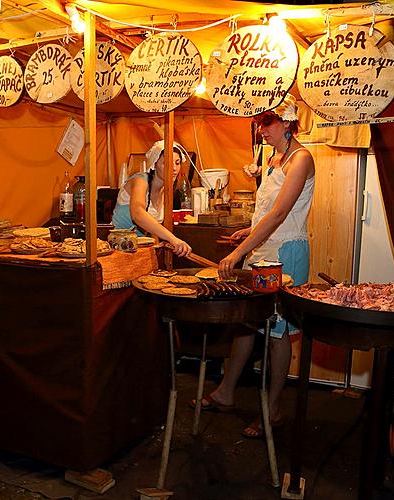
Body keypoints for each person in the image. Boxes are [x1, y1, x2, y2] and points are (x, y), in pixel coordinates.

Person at [193, 95, 315, 438]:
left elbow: (280, 215)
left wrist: (238, 252)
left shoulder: (301, 159)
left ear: (288, 123)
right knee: (247, 324)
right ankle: (226, 392)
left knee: (278, 335)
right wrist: (249, 232)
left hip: (286, 253)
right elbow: (268, 212)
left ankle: (273, 410)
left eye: (267, 123)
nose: (261, 130)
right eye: (259, 123)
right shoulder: (275, 158)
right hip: (263, 248)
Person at [111, 140, 192, 257]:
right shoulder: (140, 180)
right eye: (167, 163)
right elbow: (137, 214)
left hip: (141, 250)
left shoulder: (166, 190)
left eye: (177, 163)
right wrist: (173, 239)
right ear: (154, 164)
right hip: (120, 249)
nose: (174, 168)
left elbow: (153, 229)